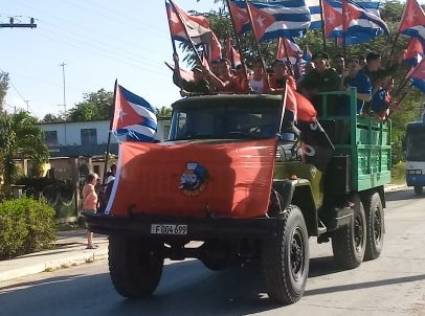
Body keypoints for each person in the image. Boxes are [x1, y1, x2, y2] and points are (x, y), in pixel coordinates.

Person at [82, 173, 99, 249]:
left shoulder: (86, 186)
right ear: (92, 179)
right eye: (95, 179)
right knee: (91, 227)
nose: (96, 181)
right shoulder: (90, 186)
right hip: (90, 208)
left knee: (90, 226)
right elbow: (88, 197)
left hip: (89, 208)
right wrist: (84, 205)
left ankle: (90, 243)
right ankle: (89, 244)